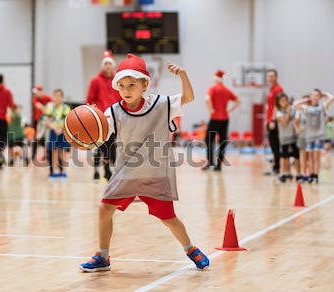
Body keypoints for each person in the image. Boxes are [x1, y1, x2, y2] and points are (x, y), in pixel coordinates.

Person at [80, 53, 209, 272]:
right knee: (104, 209)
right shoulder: (113, 112)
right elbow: (99, 137)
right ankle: (103, 256)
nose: (126, 90)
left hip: (155, 175)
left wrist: (183, 75)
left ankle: (190, 248)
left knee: (169, 219)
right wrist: (83, 138)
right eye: (121, 85)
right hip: (126, 173)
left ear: (145, 85)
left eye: (132, 84)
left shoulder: (162, 105)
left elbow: (188, 98)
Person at [86, 50, 122, 181]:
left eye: (110, 64)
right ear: (103, 65)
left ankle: (107, 170)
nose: (108, 66)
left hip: (115, 118)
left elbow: (121, 99)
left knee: (110, 146)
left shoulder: (117, 81)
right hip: (100, 119)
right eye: (106, 64)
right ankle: (101, 171)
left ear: (113, 65)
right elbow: (90, 99)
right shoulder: (95, 81)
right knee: (100, 146)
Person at [202, 70, 241, 171]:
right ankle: (219, 165)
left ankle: (210, 163)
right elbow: (238, 101)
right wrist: (229, 110)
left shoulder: (212, 89)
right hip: (225, 119)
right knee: (222, 142)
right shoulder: (227, 90)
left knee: (209, 140)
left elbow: (207, 99)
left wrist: (210, 110)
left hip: (214, 119)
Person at [294, 89, 333, 183]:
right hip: (309, 136)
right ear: (310, 97)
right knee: (310, 157)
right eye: (313, 95)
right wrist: (305, 100)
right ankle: (311, 175)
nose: (315, 97)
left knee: (316, 157)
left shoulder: (322, 107)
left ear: (319, 97)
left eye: (317, 95)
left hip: (318, 136)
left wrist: (323, 94)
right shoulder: (306, 108)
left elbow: (332, 98)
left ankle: (315, 175)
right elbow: (295, 104)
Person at [275, 93, 300, 182]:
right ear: (278, 103)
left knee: (297, 155)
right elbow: (285, 123)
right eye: (282, 101)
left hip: (294, 136)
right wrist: (289, 112)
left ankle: (298, 173)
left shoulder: (293, 109)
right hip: (284, 137)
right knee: (284, 155)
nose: (285, 103)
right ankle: (284, 173)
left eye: (286, 100)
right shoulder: (278, 113)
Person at [45, 89, 71, 178]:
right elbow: (47, 121)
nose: (57, 98)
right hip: (53, 131)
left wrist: (61, 128)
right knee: (54, 151)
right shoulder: (50, 107)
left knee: (63, 151)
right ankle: (55, 170)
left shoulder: (66, 108)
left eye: (59, 96)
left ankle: (63, 170)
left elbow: (67, 121)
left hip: (63, 131)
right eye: (55, 95)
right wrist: (54, 127)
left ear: (62, 97)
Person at [264, 69, 284, 175]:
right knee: (272, 144)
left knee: (276, 145)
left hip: (274, 121)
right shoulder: (271, 89)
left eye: (272, 76)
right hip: (269, 120)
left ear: (276, 77)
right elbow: (269, 107)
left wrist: (272, 120)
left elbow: (277, 106)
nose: (270, 78)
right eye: (268, 76)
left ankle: (277, 168)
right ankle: (274, 166)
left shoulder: (278, 89)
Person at [31, 85, 52, 163]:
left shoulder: (47, 98)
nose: (35, 94)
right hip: (38, 120)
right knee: (37, 138)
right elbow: (39, 106)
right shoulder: (35, 99)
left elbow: (52, 106)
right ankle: (33, 156)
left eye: (37, 92)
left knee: (47, 138)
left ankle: (46, 156)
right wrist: (45, 108)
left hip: (47, 120)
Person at [293, 96, 310, 183]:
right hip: (302, 136)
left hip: (311, 136)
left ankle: (309, 173)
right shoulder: (299, 111)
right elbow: (295, 122)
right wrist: (298, 129)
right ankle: (303, 173)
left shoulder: (312, 110)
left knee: (309, 157)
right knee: (303, 156)